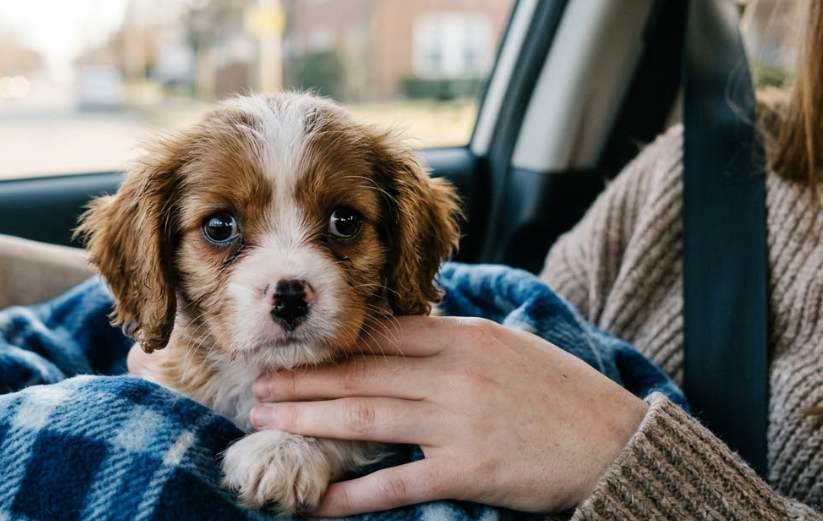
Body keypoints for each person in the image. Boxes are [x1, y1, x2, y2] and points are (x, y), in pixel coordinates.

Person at [127, 2, 823, 518]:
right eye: (221, 228)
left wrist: (621, 460)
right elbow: (494, 391)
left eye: (344, 223)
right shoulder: (683, 179)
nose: (287, 276)